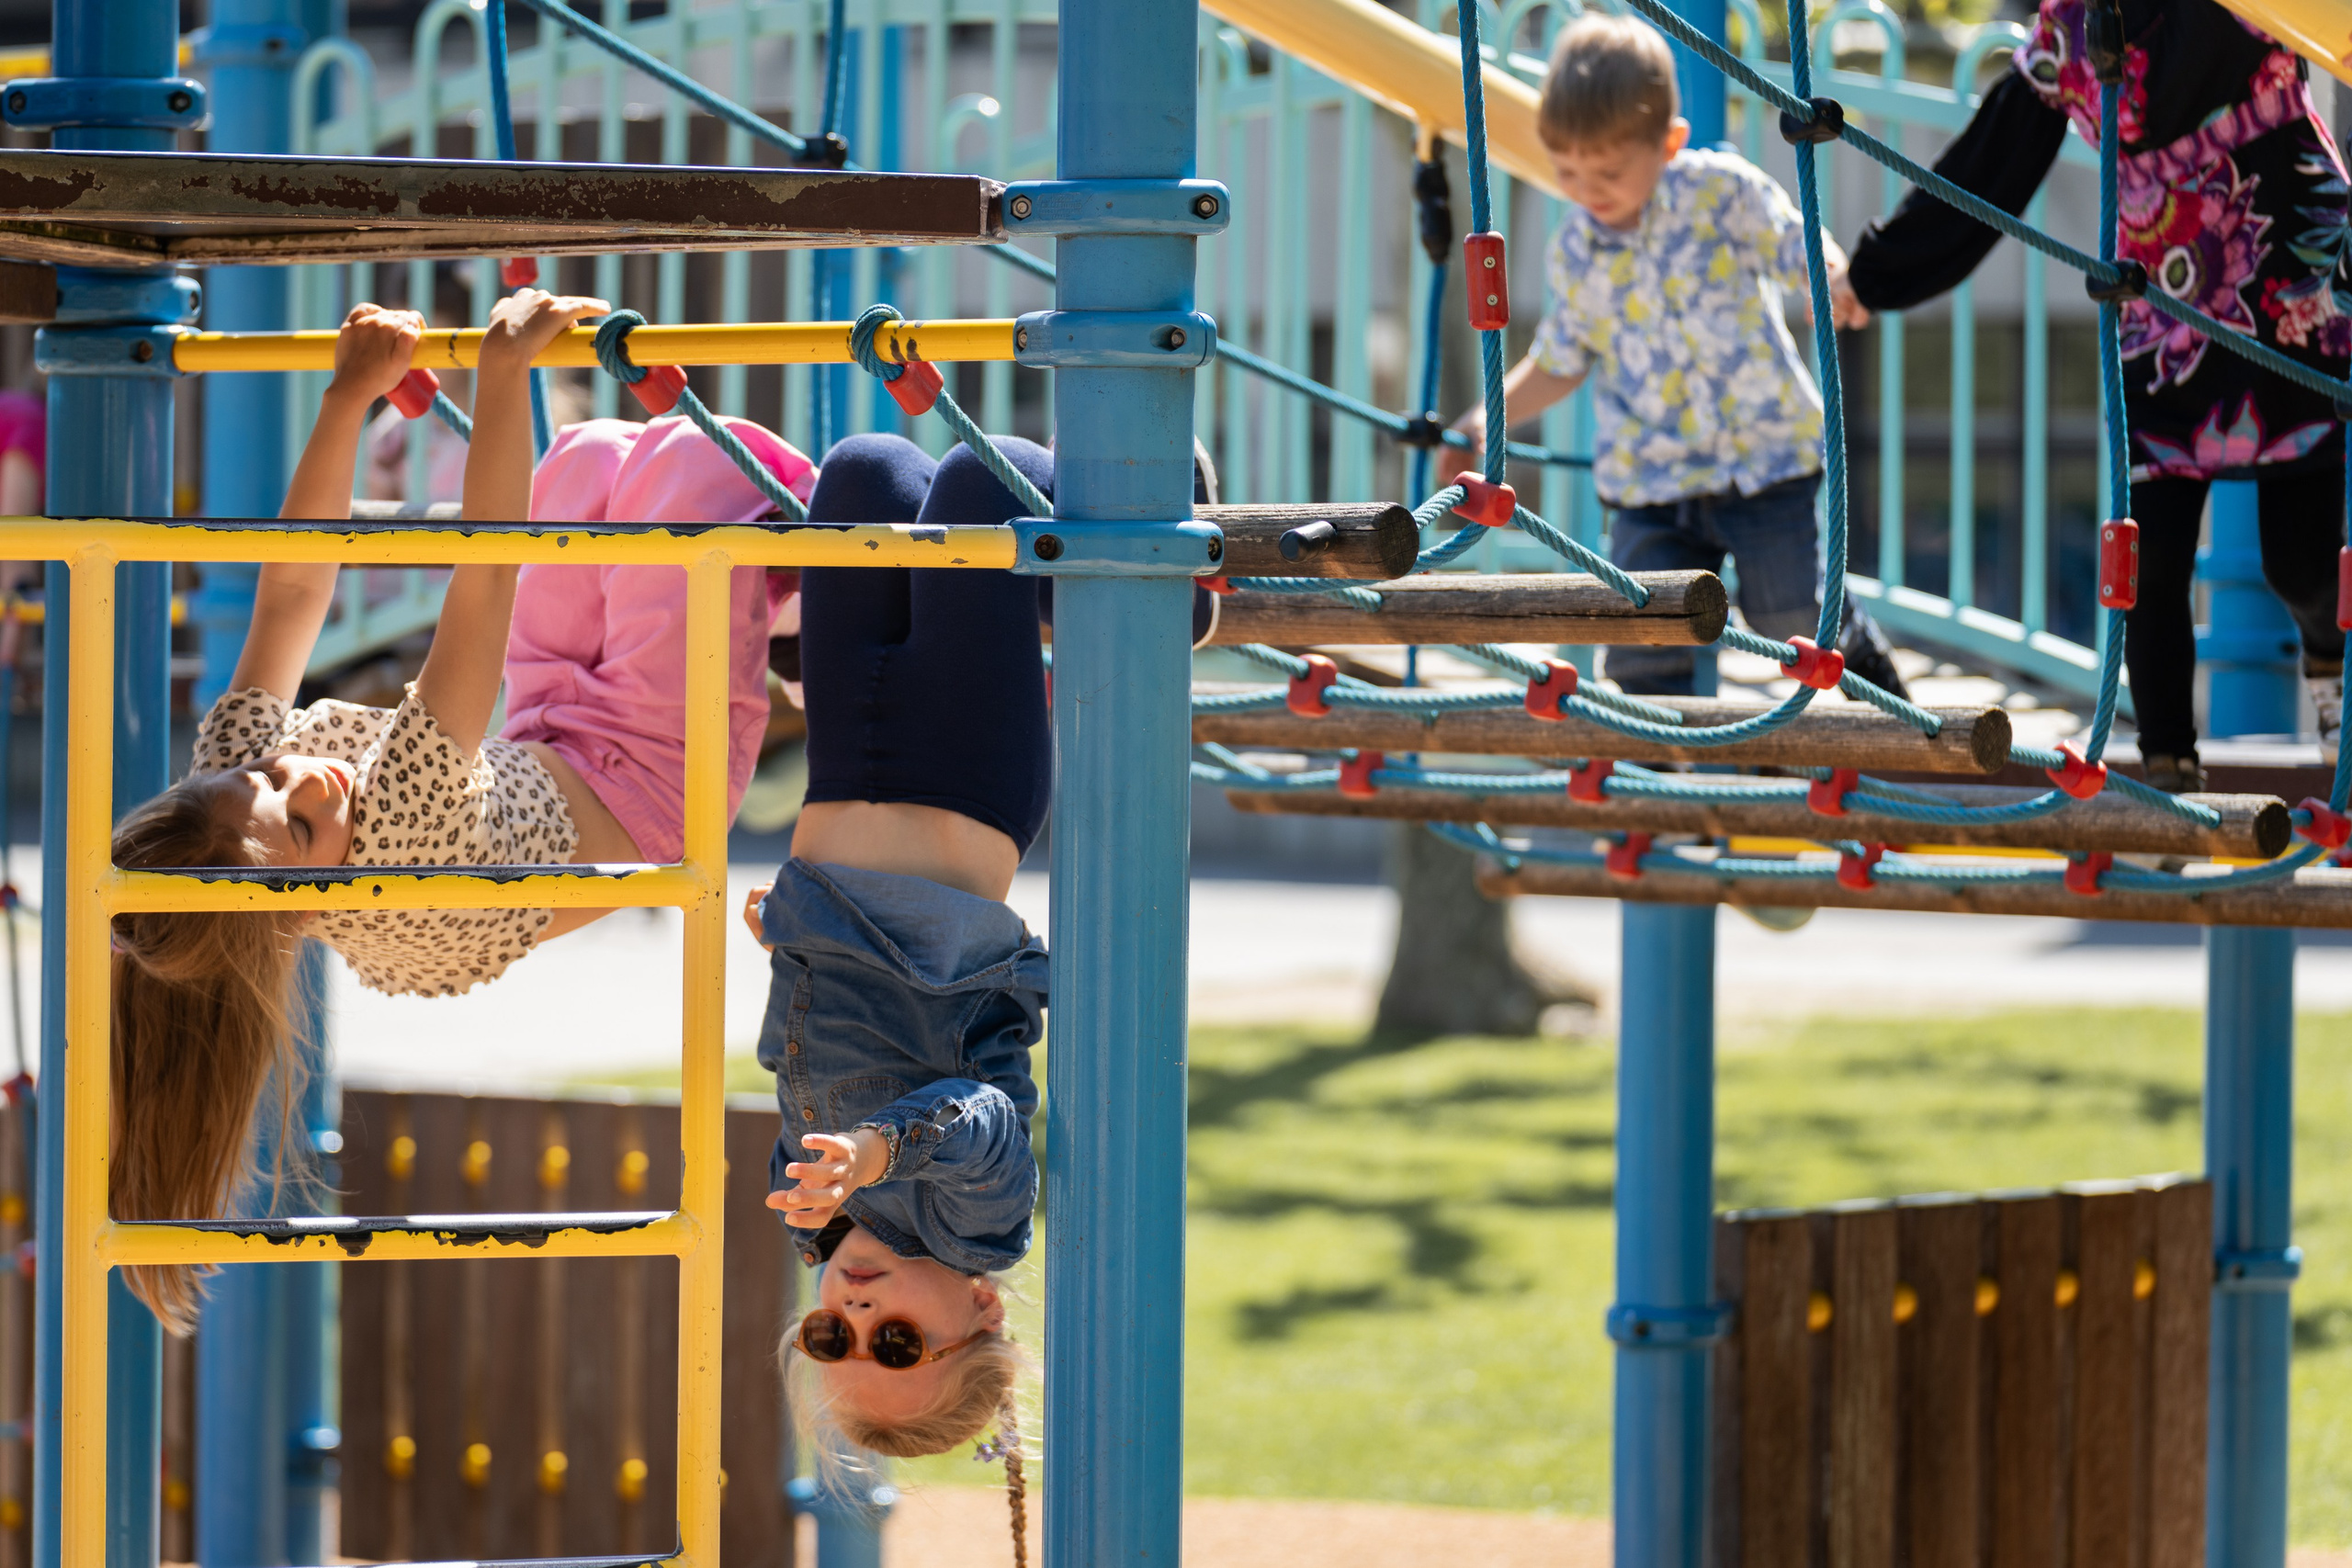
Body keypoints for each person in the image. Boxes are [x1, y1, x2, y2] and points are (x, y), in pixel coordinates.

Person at [107, 294, 815, 1330]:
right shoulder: (402, 837)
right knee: (670, 479)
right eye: (301, 829)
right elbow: (485, 579)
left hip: (548, 732)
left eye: (257, 782)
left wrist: (346, 398)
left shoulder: (239, 800)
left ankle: (758, 586)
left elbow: (293, 596)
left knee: (580, 462)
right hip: (662, 779)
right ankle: (805, 571)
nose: (297, 779)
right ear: (306, 908)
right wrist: (502, 369)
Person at [1833, 0, 2352, 789]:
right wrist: (1878, 273)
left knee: (2303, 563)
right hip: (2167, 314)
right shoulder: (2072, 35)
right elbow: (1989, 167)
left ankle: (2328, 655)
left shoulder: (2249, 7)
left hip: (2292, 287)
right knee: (2150, 560)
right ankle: (2169, 768)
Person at [1450, 12, 1903, 699]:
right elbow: (1563, 357)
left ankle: (1862, 655)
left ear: (1668, 143)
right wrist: (1493, 415)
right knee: (1644, 625)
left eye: (1606, 168)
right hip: (1653, 483)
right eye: (1568, 169)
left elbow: (1792, 240)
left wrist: (1832, 273)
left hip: (1765, 462)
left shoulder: (1720, 192)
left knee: (1788, 616)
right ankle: (1665, 768)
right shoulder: (1575, 249)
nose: (1587, 187)